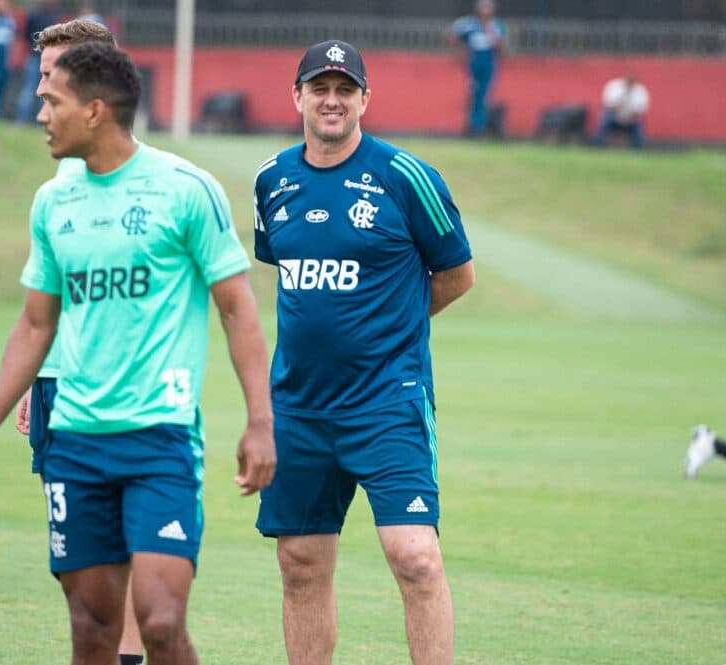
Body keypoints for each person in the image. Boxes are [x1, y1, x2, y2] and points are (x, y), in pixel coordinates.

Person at [0, 42, 275, 665]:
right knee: (92, 628)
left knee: (159, 623)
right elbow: (34, 325)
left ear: (96, 110)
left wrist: (260, 421)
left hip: (160, 437)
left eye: (52, 101)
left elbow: (238, 308)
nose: (41, 113)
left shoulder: (187, 190)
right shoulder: (54, 201)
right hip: (76, 441)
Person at [253, 39, 475, 665]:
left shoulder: (406, 177)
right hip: (299, 405)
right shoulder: (272, 180)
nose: (331, 100)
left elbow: (457, 273)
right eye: (319, 89)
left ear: (364, 100)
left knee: (416, 556)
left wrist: (392, 327)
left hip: (386, 402)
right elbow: (280, 265)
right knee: (299, 563)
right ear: (296, 96)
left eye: (344, 90)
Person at [12, 18, 145, 664]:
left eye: (57, 80)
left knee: (127, 555)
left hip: (122, 389)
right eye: (43, 78)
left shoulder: (150, 185)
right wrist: (25, 382)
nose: (45, 93)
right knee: (76, 565)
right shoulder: (52, 191)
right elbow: (43, 306)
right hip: (55, 388)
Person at [445, 0, 506, 137]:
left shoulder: (496, 25)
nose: (486, 10)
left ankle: (478, 127)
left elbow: (502, 46)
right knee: (473, 94)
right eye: (483, 7)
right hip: (473, 64)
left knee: (483, 95)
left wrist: (495, 40)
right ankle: (472, 126)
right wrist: (461, 51)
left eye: (489, 7)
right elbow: (451, 35)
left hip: (489, 64)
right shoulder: (468, 24)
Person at [14, 0, 61, 124]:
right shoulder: (34, 15)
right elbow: (25, 36)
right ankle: (22, 121)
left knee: (44, 92)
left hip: (49, 61)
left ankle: (40, 121)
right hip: (34, 58)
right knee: (29, 90)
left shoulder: (54, 16)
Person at [594, 73, 649, 148]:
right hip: (614, 117)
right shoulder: (614, 86)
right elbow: (608, 107)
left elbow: (640, 111)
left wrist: (628, 118)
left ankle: (639, 148)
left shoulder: (640, 90)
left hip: (631, 119)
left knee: (638, 125)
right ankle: (598, 145)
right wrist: (623, 96)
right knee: (605, 120)